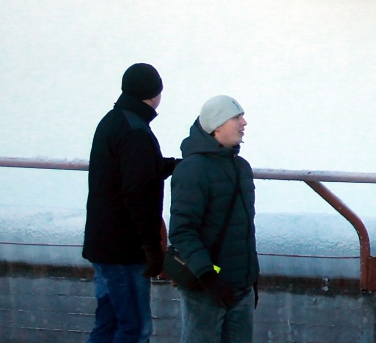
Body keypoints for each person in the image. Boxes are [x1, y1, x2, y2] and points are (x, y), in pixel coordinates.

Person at [83, 63, 178, 343]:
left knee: (108, 325)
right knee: (135, 329)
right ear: (154, 93)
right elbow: (138, 193)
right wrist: (152, 248)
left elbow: (131, 171)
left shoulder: (113, 121)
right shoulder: (136, 131)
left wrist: (172, 166)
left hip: (103, 245)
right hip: (124, 251)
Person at [169, 96, 258, 343]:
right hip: (205, 288)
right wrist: (209, 278)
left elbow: (245, 228)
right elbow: (182, 231)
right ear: (216, 127)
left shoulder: (241, 167)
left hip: (241, 287)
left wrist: (252, 277)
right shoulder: (193, 169)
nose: (244, 123)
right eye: (236, 117)